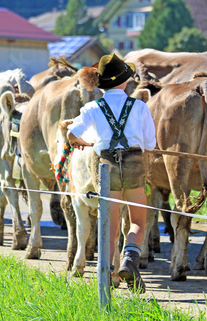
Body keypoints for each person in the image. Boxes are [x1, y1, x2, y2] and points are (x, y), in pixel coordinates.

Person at [67, 53, 156, 293]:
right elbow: (150, 143)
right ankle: (129, 258)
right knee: (138, 221)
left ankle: (107, 274)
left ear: (101, 84)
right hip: (134, 163)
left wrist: (84, 143)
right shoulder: (139, 106)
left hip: (105, 166)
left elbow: (71, 134)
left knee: (110, 224)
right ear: (126, 81)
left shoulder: (91, 107)